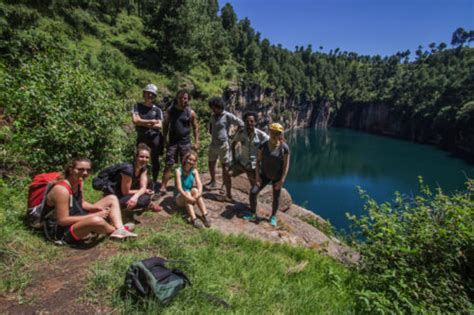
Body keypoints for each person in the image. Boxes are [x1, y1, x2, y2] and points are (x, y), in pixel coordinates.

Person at [44, 158, 137, 245]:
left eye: (88, 170)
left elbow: (82, 203)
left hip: (77, 217)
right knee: (96, 220)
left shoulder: (79, 182)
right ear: (71, 169)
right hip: (61, 231)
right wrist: (95, 215)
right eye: (80, 169)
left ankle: (120, 228)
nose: (85, 173)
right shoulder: (62, 190)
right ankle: (115, 231)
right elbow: (62, 221)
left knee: (111, 198)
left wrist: (96, 208)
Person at [244, 123, 290, 227]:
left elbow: (286, 166)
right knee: (253, 192)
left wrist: (282, 180)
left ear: (280, 134)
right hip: (264, 174)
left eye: (277, 133)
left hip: (277, 176)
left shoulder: (284, 148)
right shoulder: (263, 145)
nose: (274, 135)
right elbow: (258, 161)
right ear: (269, 132)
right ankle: (253, 213)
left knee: (276, 197)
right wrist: (257, 176)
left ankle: (273, 216)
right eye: (272, 132)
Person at [160, 89, 199, 193]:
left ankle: (188, 185)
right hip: (173, 142)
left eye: (185, 98)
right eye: (180, 98)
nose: (183, 100)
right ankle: (163, 187)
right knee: (169, 164)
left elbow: (195, 127)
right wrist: (164, 139)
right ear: (177, 99)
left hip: (185, 142)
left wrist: (196, 142)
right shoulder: (170, 110)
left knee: (187, 164)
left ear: (188, 99)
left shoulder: (190, 112)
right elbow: (165, 125)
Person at [206, 97, 244, 201]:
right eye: (212, 108)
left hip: (223, 145)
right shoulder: (213, 116)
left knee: (225, 167)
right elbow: (210, 126)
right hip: (213, 143)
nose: (213, 110)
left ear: (219, 107)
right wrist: (211, 132)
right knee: (211, 162)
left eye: (214, 108)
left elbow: (241, 123)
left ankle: (226, 189)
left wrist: (234, 136)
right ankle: (213, 181)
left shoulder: (227, 115)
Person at [132, 84, 163, 190]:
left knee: (155, 160)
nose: (150, 96)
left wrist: (142, 122)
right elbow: (135, 121)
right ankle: (136, 181)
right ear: (144, 94)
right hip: (141, 136)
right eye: (148, 93)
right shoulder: (137, 106)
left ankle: (153, 182)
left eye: (152, 94)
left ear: (154, 96)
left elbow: (159, 125)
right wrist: (150, 122)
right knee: (139, 159)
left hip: (154, 137)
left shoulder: (157, 110)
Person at [115, 143, 163, 212]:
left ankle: (147, 204)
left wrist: (139, 193)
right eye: (141, 156)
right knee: (144, 200)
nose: (144, 159)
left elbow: (143, 187)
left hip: (131, 190)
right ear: (136, 157)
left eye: (147, 157)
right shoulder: (128, 170)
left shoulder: (143, 168)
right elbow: (125, 192)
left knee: (150, 183)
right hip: (119, 195)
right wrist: (138, 195)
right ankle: (121, 209)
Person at [230, 111, 269, 187]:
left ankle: (254, 198)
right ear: (244, 122)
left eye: (252, 121)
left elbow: (270, 143)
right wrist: (234, 159)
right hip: (242, 163)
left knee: (254, 186)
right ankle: (228, 195)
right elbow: (233, 144)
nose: (249, 123)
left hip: (254, 166)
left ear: (255, 122)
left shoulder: (260, 134)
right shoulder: (241, 133)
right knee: (227, 173)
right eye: (247, 121)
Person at [175, 151, 211, 228]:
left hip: (190, 196)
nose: (191, 162)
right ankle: (193, 219)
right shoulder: (178, 171)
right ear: (186, 159)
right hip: (179, 197)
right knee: (187, 193)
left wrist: (198, 194)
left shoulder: (194, 171)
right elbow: (179, 188)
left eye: (193, 160)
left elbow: (200, 185)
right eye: (190, 159)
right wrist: (188, 197)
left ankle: (205, 214)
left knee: (195, 190)